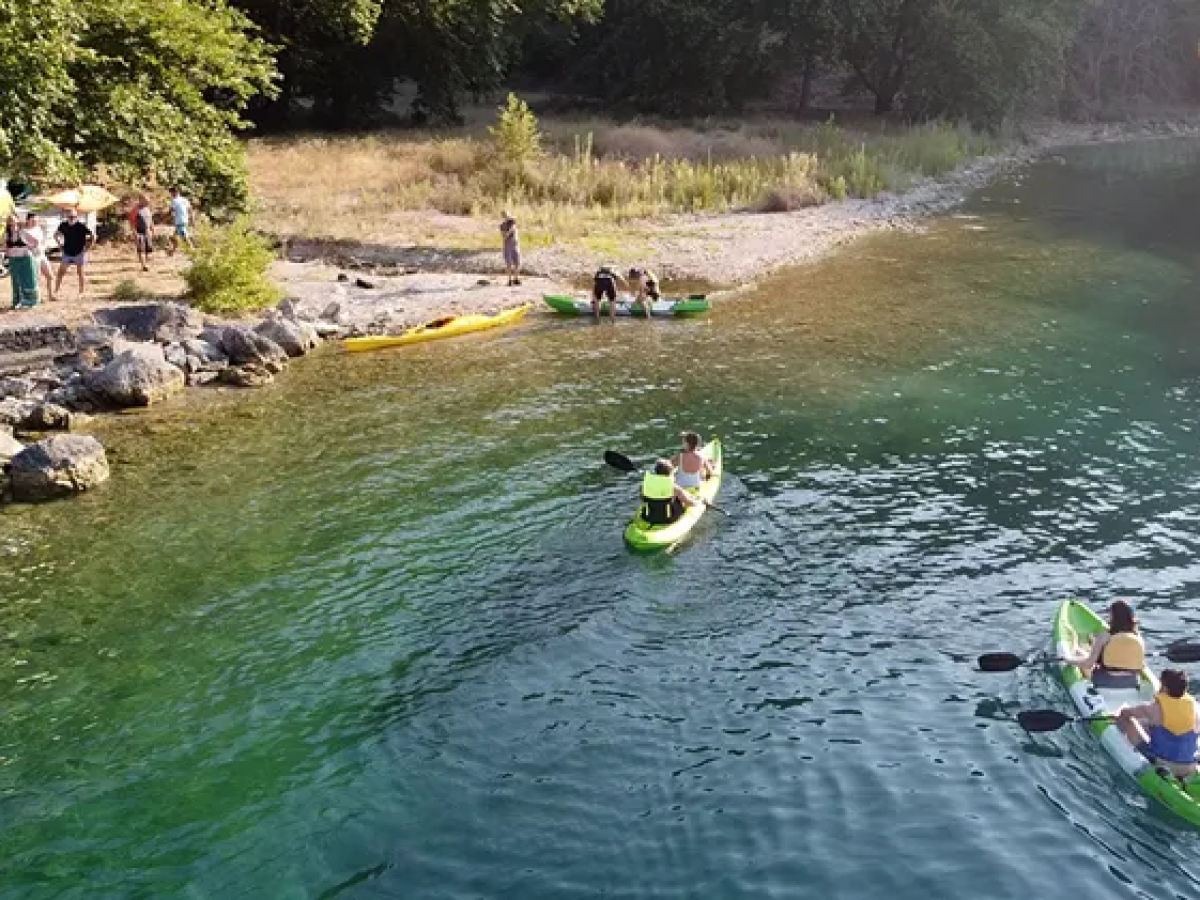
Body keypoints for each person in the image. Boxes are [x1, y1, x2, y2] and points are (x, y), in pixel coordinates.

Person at [1116, 668, 1200, 776]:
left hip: (1162, 763)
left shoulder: (1152, 709)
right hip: (1189, 766)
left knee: (1128, 721)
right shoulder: (1194, 710)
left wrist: (1120, 715)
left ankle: (1119, 741)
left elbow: (1124, 713)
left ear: (1165, 688)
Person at [1065, 600, 1145, 689]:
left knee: (1079, 653)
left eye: (1110, 614)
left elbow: (1089, 664)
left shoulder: (1105, 636)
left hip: (1105, 681)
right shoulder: (1138, 637)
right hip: (1132, 682)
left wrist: (1068, 660)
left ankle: (1077, 650)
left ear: (1114, 617)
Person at [640, 459, 699, 527]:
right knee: (678, 499)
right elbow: (689, 503)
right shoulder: (674, 488)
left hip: (648, 517)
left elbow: (642, 499)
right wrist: (697, 502)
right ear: (670, 472)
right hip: (668, 518)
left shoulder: (646, 484)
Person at [55, 208, 95, 300]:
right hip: (67, 252)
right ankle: (56, 291)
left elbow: (92, 236)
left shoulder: (81, 226)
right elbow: (55, 235)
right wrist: (60, 245)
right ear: (67, 216)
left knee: (80, 273)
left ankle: (81, 293)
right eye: (70, 216)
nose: (72, 218)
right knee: (60, 272)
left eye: (74, 216)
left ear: (77, 217)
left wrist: (88, 248)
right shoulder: (63, 225)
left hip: (79, 252)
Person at [5, 214, 39, 309]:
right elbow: (5, 246)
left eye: (13, 222)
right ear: (8, 223)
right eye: (10, 222)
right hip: (13, 260)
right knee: (16, 281)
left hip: (25, 259)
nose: (12, 224)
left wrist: (28, 248)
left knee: (28, 280)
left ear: (17, 222)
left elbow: (36, 242)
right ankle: (17, 301)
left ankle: (31, 302)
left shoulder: (22, 232)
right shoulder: (7, 234)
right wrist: (8, 252)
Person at [21, 212, 56, 302]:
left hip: (42, 255)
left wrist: (44, 246)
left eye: (36, 220)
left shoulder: (38, 228)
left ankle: (51, 295)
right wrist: (32, 246)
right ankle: (37, 298)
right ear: (27, 220)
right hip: (33, 257)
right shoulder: (24, 231)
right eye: (33, 220)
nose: (35, 222)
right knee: (36, 279)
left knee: (50, 276)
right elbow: (25, 245)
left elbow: (43, 240)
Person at [169, 188, 194, 253]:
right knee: (174, 237)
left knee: (184, 237)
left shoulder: (174, 201)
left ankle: (192, 249)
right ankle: (172, 251)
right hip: (185, 220)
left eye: (171, 193)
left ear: (173, 192)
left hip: (179, 221)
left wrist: (164, 218)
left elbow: (170, 211)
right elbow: (190, 210)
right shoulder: (185, 200)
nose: (171, 195)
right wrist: (192, 219)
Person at [500, 211, 521, 286]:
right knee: (509, 263)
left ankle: (516, 278)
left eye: (508, 215)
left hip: (515, 245)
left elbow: (515, 218)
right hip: (507, 246)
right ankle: (509, 280)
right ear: (503, 217)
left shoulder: (513, 222)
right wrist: (509, 231)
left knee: (517, 262)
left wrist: (512, 225)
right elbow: (504, 237)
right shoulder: (502, 225)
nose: (507, 216)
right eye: (505, 215)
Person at [134, 198, 154, 272]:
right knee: (141, 250)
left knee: (148, 250)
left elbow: (151, 220)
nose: (147, 203)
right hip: (139, 232)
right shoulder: (136, 210)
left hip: (147, 232)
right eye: (146, 201)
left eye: (148, 202)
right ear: (141, 201)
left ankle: (146, 263)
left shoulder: (147, 209)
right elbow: (132, 223)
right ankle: (143, 265)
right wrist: (134, 233)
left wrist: (152, 229)